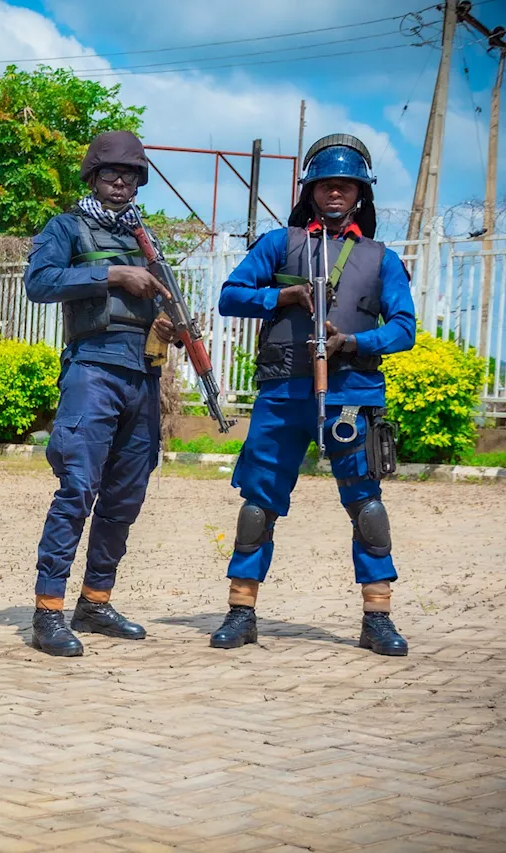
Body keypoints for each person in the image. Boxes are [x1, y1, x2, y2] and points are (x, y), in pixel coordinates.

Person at [209, 134, 415, 656]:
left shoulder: (381, 258)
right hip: (283, 389)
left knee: (366, 504)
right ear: (311, 192)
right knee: (259, 502)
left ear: (361, 195)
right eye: (326, 186)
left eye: (346, 186)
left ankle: (378, 616)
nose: (335, 194)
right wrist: (283, 294)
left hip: (354, 392)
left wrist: (355, 342)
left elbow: (405, 330)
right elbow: (229, 297)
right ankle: (241, 610)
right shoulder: (281, 243)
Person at [23, 130, 177, 657]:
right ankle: (48, 611)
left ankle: (95, 600)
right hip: (93, 369)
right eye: (110, 173)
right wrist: (112, 275)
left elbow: (162, 300)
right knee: (76, 488)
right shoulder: (66, 227)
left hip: (143, 376)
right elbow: (39, 282)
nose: (120, 181)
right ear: (92, 177)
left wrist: (172, 324)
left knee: (125, 496)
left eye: (130, 174)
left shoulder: (145, 236)